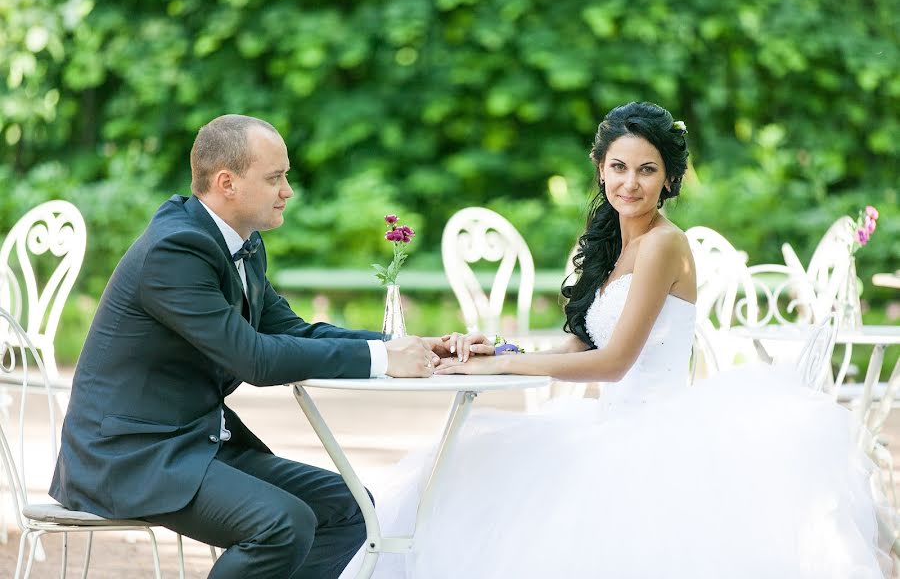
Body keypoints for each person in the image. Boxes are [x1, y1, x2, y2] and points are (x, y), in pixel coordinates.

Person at [341, 102, 893, 578]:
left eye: (647, 170)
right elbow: (582, 345)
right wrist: (498, 352)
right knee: (457, 472)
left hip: (656, 429)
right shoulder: (607, 244)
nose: (630, 183)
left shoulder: (662, 245)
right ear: (601, 170)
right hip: (605, 421)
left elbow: (615, 363)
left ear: (670, 180)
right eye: (619, 167)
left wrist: (502, 373)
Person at [50, 114, 462, 579]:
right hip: (129, 456)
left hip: (195, 442)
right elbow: (255, 358)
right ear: (227, 183)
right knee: (281, 524)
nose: (288, 190)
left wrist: (407, 346)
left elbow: (293, 331)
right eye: (275, 178)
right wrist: (385, 360)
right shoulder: (176, 250)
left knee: (349, 506)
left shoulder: (242, 243)